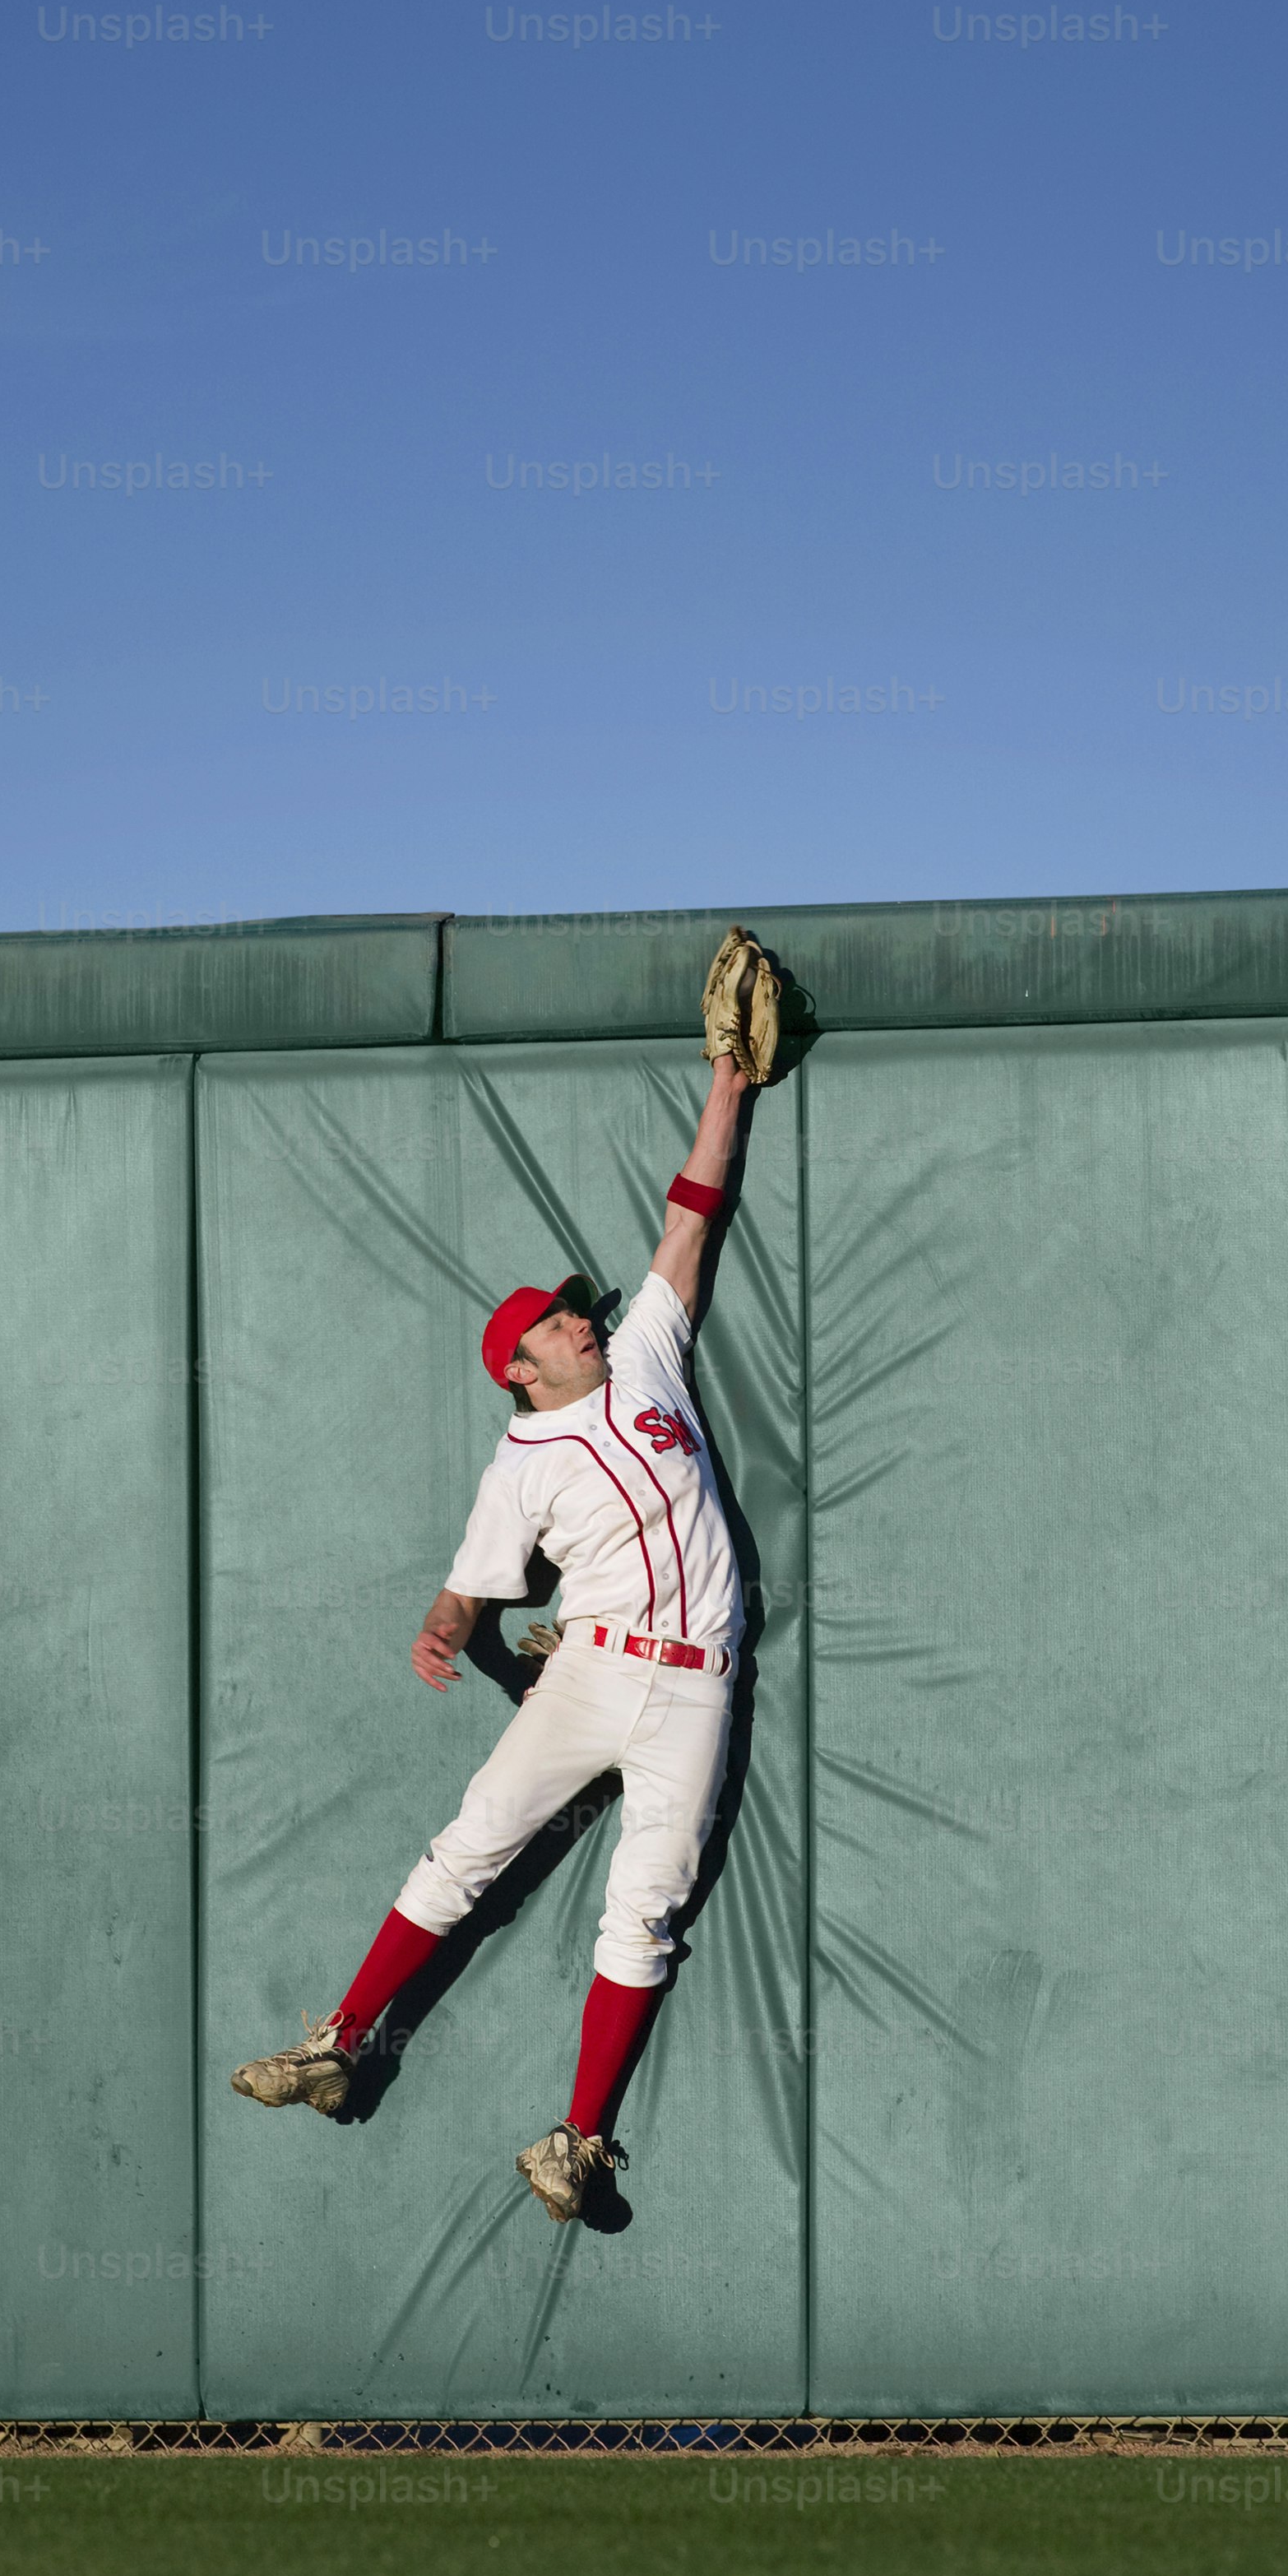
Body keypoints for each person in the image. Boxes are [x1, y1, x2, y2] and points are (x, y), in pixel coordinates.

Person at [230, 944, 784, 2221]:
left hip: (699, 1688)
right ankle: (341, 2038)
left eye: (577, 1312)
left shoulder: (645, 1355)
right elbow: (466, 1594)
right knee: (467, 1849)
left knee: (642, 1916)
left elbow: (691, 1216)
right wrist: (453, 1626)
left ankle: (577, 2143)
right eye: (556, 1321)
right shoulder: (518, 1462)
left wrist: (726, 1081)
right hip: (586, 1671)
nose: (582, 1317)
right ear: (519, 1366)